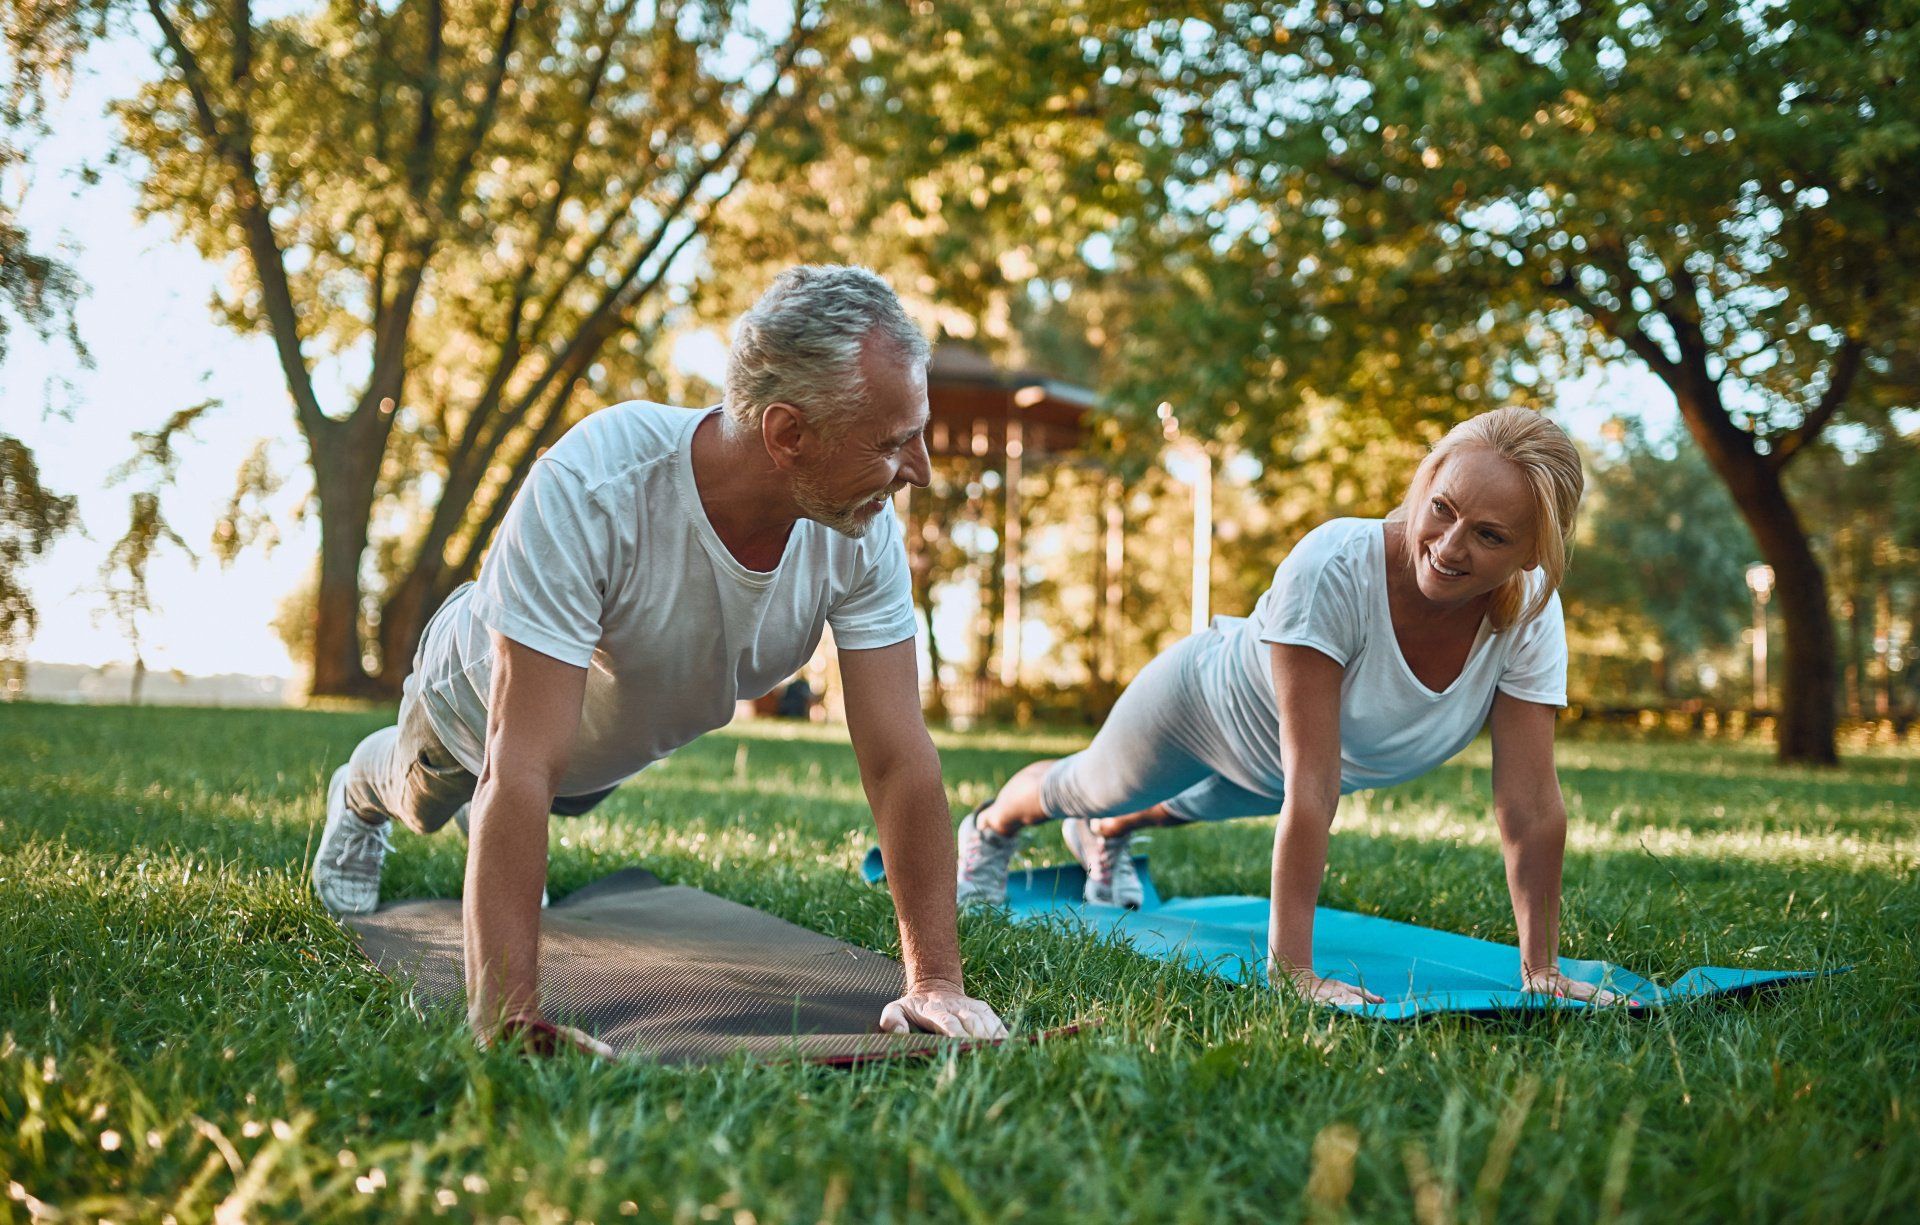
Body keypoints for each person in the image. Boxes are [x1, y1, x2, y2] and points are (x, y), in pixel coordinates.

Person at [312, 265, 1006, 1050]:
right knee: (428, 794)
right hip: (475, 704)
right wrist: (507, 1016)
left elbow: (899, 758)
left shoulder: (857, 527)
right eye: (891, 443)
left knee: (560, 792)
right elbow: (518, 766)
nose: (918, 470)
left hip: (597, 747)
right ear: (787, 434)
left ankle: (494, 826)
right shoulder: (594, 487)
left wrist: (937, 983)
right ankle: (358, 792)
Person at [955, 408, 1623, 1007]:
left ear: (1536, 550)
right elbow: (1312, 782)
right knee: (1087, 786)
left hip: (1276, 773)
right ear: (1422, 484)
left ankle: (1108, 837)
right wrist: (1293, 970)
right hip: (1203, 709)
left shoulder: (1529, 615)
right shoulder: (1336, 564)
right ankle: (990, 830)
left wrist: (1541, 969)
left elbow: (1530, 801)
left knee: (1162, 808)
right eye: (1442, 507)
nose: (1449, 546)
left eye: (1489, 535)